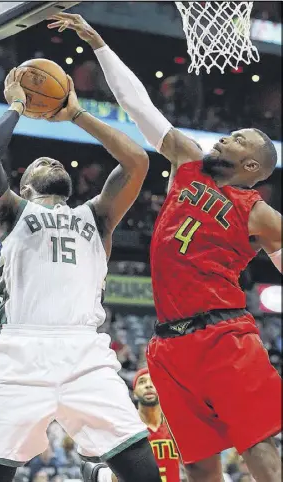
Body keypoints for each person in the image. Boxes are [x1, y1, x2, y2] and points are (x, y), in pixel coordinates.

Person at [48, 13, 282, 482]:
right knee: (197, 463)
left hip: (224, 337)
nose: (227, 136)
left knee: (256, 447)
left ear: (252, 163)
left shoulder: (258, 212)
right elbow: (140, 107)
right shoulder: (189, 160)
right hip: (168, 345)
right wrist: (98, 44)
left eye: (239, 139)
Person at [0, 69, 161, 482]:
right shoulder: (9, 212)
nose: (50, 160)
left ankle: (98, 475)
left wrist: (76, 114)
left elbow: (137, 161)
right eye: (40, 161)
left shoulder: (97, 216)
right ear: (24, 184)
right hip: (20, 355)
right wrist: (19, 104)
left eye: (53, 159)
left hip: (85, 354)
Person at [82, 368, 180, 482]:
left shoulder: (175, 426)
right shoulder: (126, 426)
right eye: (142, 382)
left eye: (152, 381)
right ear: (134, 392)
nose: (148, 385)